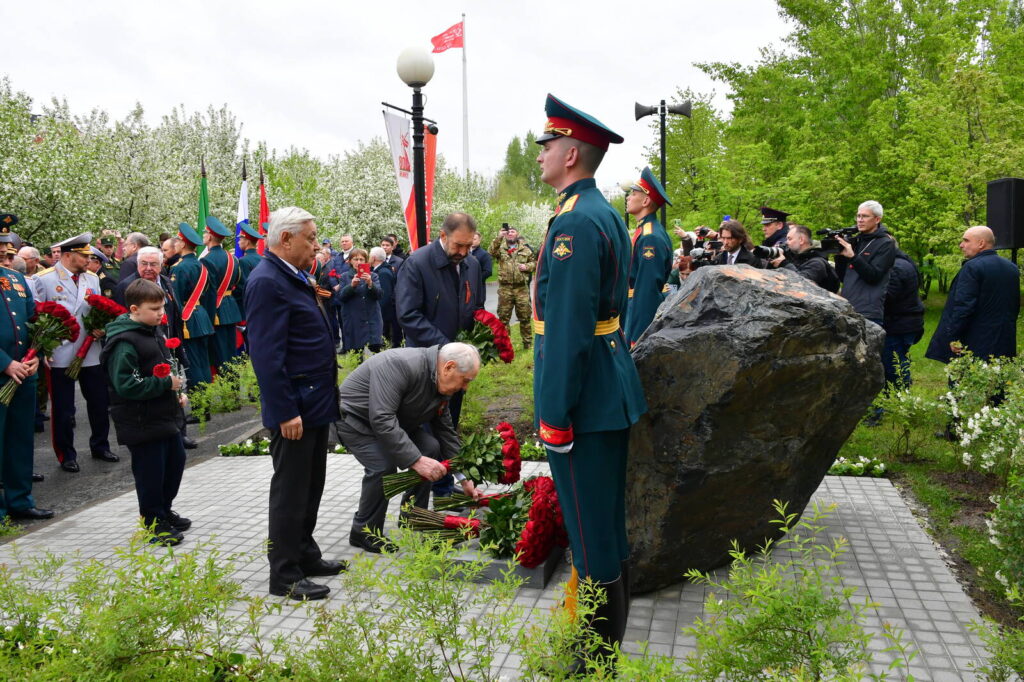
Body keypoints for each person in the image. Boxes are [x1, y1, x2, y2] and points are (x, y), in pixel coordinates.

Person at [532, 93, 647, 658]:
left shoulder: (577, 221)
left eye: (546, 145)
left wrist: (554, 415)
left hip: (585, 401)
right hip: (605, 386)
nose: (540, 155)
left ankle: (592, 661)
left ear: (571, 154)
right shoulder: (594, 211)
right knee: (602, 527)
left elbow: (569, 329)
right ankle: (600, 651)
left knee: (591, 535)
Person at [245, 206, 346, 601]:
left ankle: (305, 554)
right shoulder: (267, 281)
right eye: (311, 238)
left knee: (310, 486)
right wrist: (285, 410)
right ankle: (284, 574)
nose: (316, 245)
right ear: (285, 239)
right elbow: (267, 356)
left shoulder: (292, 275)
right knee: (290, 492)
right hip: (296, 409)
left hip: (314, 403)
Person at [337, 343, 482, 553]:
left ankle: (412, 516)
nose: (465, 387)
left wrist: (464, 477)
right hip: (356, 420)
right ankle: (364, 531)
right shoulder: (399, 365)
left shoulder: (441, 381)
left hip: (394, 422)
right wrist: (416, 461)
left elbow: (445, 431)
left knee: (430, 448)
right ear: (449, 367)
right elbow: (381, 418)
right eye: (466, 380)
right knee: (382, 467)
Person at [102, 278, 190, 545]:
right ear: (134, 309)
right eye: (154, 309)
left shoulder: (152, 331)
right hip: (141, 420)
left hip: (163, 415)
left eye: (162, 307)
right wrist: (165, 385)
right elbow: (126, 384)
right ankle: (153, 522)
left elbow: (163, 367)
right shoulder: (124, 341)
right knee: (151, 474)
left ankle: (164, 510)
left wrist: (175, 393)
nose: (161, 313)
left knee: (174, 464)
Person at [33, 232, 117, 472]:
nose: (89, 260)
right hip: (60, 351)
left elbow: (100, 309)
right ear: (69, 256)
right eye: (84, 256)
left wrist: (102, 328)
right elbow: (37, 315)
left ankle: (100, 445)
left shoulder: (91, 278)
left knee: (99, 402)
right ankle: (66, 454)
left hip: (90, 349)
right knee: (64, 409)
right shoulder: (44, 279)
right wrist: (43, 348)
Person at [395, 212, 484, 428]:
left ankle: (448, 451)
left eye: (468, 246)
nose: (463, 252)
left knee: (450, 420)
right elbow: (408, 314)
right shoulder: (417, 263)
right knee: (425, 426)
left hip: (458, 363)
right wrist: (447, 348)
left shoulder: (472, 265)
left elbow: (476, 306)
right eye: (458, 245)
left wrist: (485, 335)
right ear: (443, 235)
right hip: (426, 362)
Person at [0, 216, 52, 521]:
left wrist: (36, 354)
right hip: (4, 372)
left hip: (24, 374)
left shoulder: (17, 279)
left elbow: (34, 321)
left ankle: (20, 500)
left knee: (20, 440)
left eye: (5, 244)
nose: (3, 249)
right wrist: (6, 363)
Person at [926, 226, 1020, 364]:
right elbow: (1014, 306)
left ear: (981, 243)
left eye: (966, 240)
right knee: (999, 375)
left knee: (970, 376)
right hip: (1004, 340)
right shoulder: (1011, 268)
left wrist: (954, 337)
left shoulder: (972, 267)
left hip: (975, 342)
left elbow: (963, 306)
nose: (961, 245)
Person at [624, 167, 674, 348]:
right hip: (632, 306)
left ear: (645, 201)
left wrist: (638, 336)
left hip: (639, 312)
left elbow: (647, 290)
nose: (628, 198)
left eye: (633, 194)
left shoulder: (650, 237)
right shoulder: (646, 231)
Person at [833, 200, 896, 326]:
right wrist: (839, 255)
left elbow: (873, 276)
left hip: (868, 312)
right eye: (858, 216)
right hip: (847, 307)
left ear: (877, 219)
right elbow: (843, 277)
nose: (860, 220)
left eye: (865, 216)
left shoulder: (886, 243)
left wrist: (853, 256)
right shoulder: (856, 240)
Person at [169, 223, 214, 393]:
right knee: (203, 362)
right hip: (201, 316)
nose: (175, 244)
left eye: (177, 240)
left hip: (188, 319)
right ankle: (206, 399)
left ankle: (198, 403)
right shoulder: (202, 266)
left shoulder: (179, 268)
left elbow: (176, 298)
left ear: (183, 244)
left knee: (192, 364)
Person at [881, 239, 925, 391]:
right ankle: (900, 393)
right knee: (899, 362)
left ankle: (900, 396)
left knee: (895, 366)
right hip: (905, 322)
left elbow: (888, 297)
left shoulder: (896, 267)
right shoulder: (903, 262)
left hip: (898, 324)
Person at [201, 217, 244, 370]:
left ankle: (225, 384)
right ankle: (233, 382)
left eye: (205, 232)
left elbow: (208, 292)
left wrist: (207, 317)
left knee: (219, 356)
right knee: (231, 354)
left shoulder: (206, 260)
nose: (203, 235)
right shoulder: (233, 259)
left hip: (215, 312)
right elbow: (240, 285)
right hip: (231, 310)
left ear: (210, 237)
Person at [489, 223, 535, 349]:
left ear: (517, 234)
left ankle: (527, 344)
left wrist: (527, 266)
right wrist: (499, 237)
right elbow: (491, 252)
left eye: (513, 231)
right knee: (503, 319)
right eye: (508, 232)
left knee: (525, 317)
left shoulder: (525, 249)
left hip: (521, 289)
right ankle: (505, 345)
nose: (510, 234)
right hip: (505, 289)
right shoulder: (500, 248)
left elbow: (534, 263)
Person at [337, 248, 383, 354]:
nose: (358, 262)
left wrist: (370, 284)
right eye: (355, 259)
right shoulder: (344, 276)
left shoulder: (373, 276)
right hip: (354, 319)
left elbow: (379, 295)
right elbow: (341, 297)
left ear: (366, 261)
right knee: (356, 353)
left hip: (371, 318)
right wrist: (351, 286)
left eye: (361, 259)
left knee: (376, 351)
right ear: (350, 261)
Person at [778, 224, 840, 292]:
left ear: (801, 240)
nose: (786, 242)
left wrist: (783, 263)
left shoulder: (817, 263)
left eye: (790, 239)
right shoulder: (794, 256)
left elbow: (802, 283)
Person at [372, 246, 402, 349]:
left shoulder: (383, 272)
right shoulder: (380, 270)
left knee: (386, 340)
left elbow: (384, 296)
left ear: (374, 257)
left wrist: (378, 313)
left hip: (385, 313)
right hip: (385, 313)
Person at [470, 231, 493, 305]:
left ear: (479, 240)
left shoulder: (484, 254)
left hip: (478, 288)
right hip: (465, 288)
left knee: (478, 309)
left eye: (474, 239)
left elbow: (488, 271)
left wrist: (475, 279)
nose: (472, 241)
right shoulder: (464, 252)